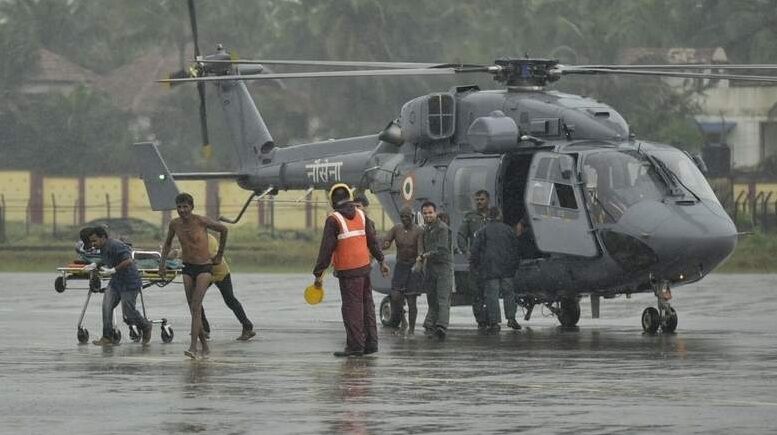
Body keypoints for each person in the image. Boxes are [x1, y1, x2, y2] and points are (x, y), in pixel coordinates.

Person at [313, 183, 389, 357]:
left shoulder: (334, 219)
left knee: (351, 308)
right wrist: (381, 260)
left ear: (333, 200)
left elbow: (326, 249)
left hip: (348, 272)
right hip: (364, 268)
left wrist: (318, 274)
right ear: (349, 197)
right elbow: (372, 240)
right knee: (367, 306)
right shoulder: (362, 215)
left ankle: (355, 347)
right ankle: (371, 344)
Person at [159, 192, 228, 359]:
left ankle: (193, 347)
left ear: (191, 207)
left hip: (204, 267)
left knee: (196, 306)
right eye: (179, 207)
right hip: (187, 268)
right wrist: (162, 265)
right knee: (193, 308)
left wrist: (219, 255)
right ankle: (204, 346)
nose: (182, 210)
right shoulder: (175, 224)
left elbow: (224, 229)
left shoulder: (201, 221)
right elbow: (168, 243)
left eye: (185, 207)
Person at [86, 226, 152, 346]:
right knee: (106, 306)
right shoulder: (103, 247)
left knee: (129, 312)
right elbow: (107, 258)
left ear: (103, 237)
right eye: (91, 241)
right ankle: (107, 337)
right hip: (116, 282)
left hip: (129, 281)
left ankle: (146, 326)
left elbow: (129, 261)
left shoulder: (116, 245)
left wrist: (113, 270)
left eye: (94, 241)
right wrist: (96, 264)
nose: (93, 244)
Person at [469, 207, 522, 332]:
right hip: (507, 269)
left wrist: (474, 266)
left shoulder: (483, 231)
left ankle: (494, 323)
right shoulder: (508, 230)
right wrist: (515, 265)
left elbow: (475, 251)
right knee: (509, 294)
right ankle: (511, 319)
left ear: (489, 216)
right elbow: (516, 249)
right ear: (500, 215)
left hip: (490, 268)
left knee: (492, 296)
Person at [200, 233, 256, 341]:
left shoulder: (209, 239)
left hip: (220, 272)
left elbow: (208, 256)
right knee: (195, 299)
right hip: (205, 273)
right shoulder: (190, 238)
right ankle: (204, 329)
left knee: (230, 299)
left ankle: (247, 327)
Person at [382, 206, 423, 335]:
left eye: (407, 217)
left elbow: (421, 250)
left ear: (412, 217)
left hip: (412, 266)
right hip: (400, 266)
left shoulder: (418, 231)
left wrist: (419, 263)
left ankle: (411, 329)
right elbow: (386, 241)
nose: (405, 219)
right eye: (402, 217)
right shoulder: (397, 228)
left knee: (411, 300)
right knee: (395, 296)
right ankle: (403, 322)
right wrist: (385, 244)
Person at [419, 201, 453, 340]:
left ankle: (441, 327)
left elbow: (442, 250)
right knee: (431, 299)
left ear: (436, 212)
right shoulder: (427, 229)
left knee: (443, 298)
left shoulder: (442, 228)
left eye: (430, 213)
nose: (428, 215)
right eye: (425, 213)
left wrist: (424, 255)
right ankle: (431, 324)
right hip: (431, 268)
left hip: (443, 267)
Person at [457, 190, 490, 329]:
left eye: (482, 199)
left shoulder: (494, 216)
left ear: (488, 200)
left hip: (492, 260)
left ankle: (492, 319)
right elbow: (461, 235)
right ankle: (481, 320)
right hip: (476, 260)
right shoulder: (470, 217)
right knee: (476, 292)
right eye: (477, 199)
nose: (479, 202)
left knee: (491, 291)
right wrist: (466, 251)